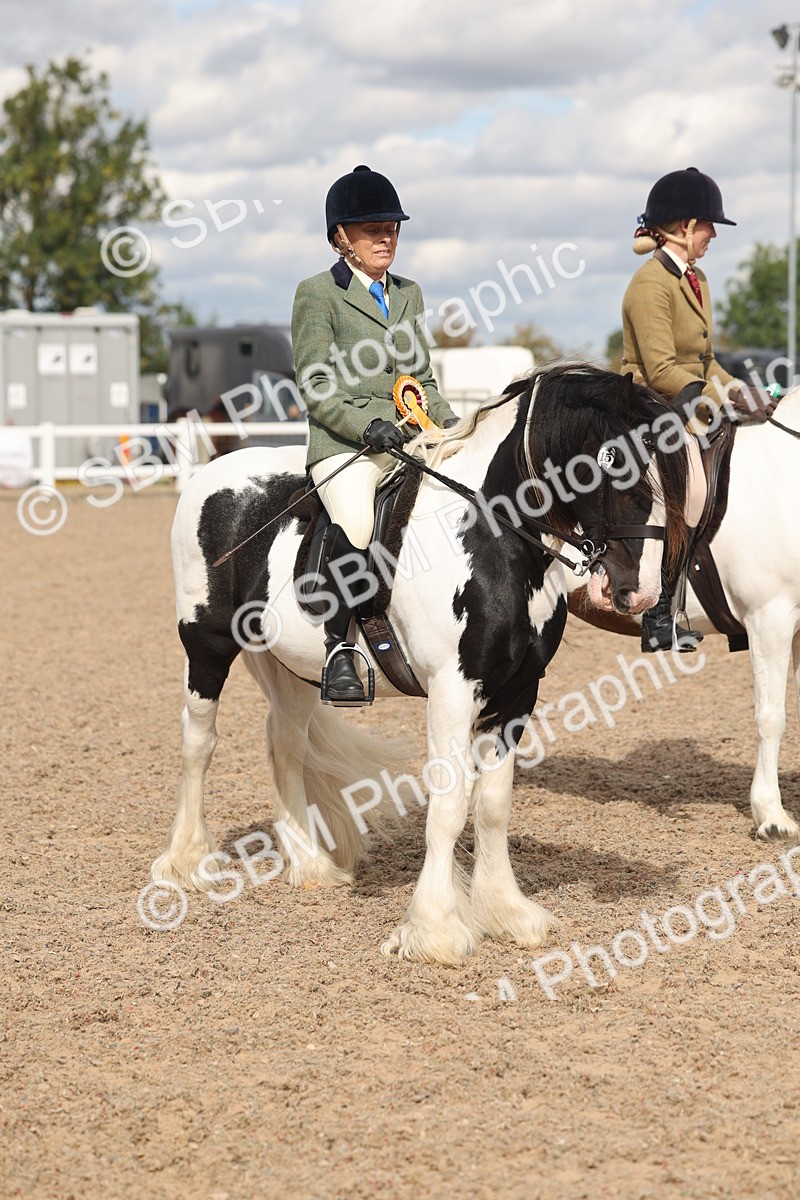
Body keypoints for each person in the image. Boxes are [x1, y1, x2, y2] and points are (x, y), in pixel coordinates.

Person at [291, 165, 458, 703]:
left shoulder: (408, 293)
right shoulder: (318, 294)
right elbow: (315, 383)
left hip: (408, 438)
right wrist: (366, 425)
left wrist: (455, 431)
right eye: (372, 229)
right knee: (359, 519)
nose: (386, 237)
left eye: (392, 227)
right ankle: (340, 648)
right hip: (348, 446)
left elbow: (422, 380)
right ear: (342, 238)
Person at [620, 166, 777, 653]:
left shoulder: (697, 279)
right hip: (651, 405)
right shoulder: (649, 285)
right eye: (709, 225)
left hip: (689, 399)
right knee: (690, 484)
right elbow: (663, 368)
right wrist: (715, 403)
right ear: (686, 227)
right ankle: (661, 612)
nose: (712, 234)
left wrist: (743, 393)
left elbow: (707, 362)